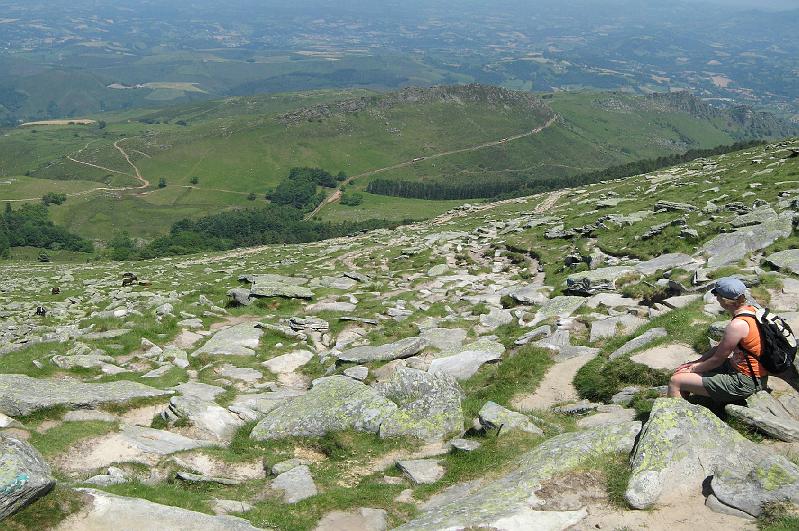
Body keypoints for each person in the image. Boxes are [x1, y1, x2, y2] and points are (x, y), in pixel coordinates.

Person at [667, 277, 767, 402]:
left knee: (676, 380)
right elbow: (720, 347)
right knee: (685, 371)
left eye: (716, 294)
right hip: (749, 372)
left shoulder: (737, 325)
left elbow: (717, 360)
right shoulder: (752, 311)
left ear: (725, 300)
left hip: (745, 381)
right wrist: (696, 362)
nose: (716, 298)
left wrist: (692, 369)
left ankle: (677, 416)